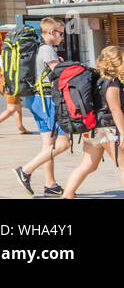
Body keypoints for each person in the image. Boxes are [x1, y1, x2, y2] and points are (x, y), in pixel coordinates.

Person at [14, 17, 69, 196]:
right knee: (63, 143)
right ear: (52, 33)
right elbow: (60, 75)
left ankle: (50, 184)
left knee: (48, 144)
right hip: (47, 101)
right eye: (61, 33)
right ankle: (26, 170)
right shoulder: (47, 50)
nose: (62, 37)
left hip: (34, 99)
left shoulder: (37, 48)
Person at [61, 45, 124, 198]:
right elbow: (115, 109)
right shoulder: (112, 82)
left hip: (93, 129)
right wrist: (122, 132)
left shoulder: (96, 79)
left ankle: (67, 194)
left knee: (88, 165)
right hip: (108, 129)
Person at [0, 60, 32, 136]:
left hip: (6, 84)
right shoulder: (9, 55)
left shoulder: (2, 56)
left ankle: (21, 128)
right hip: (12, 85)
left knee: (17, 107)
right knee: (12, 108)